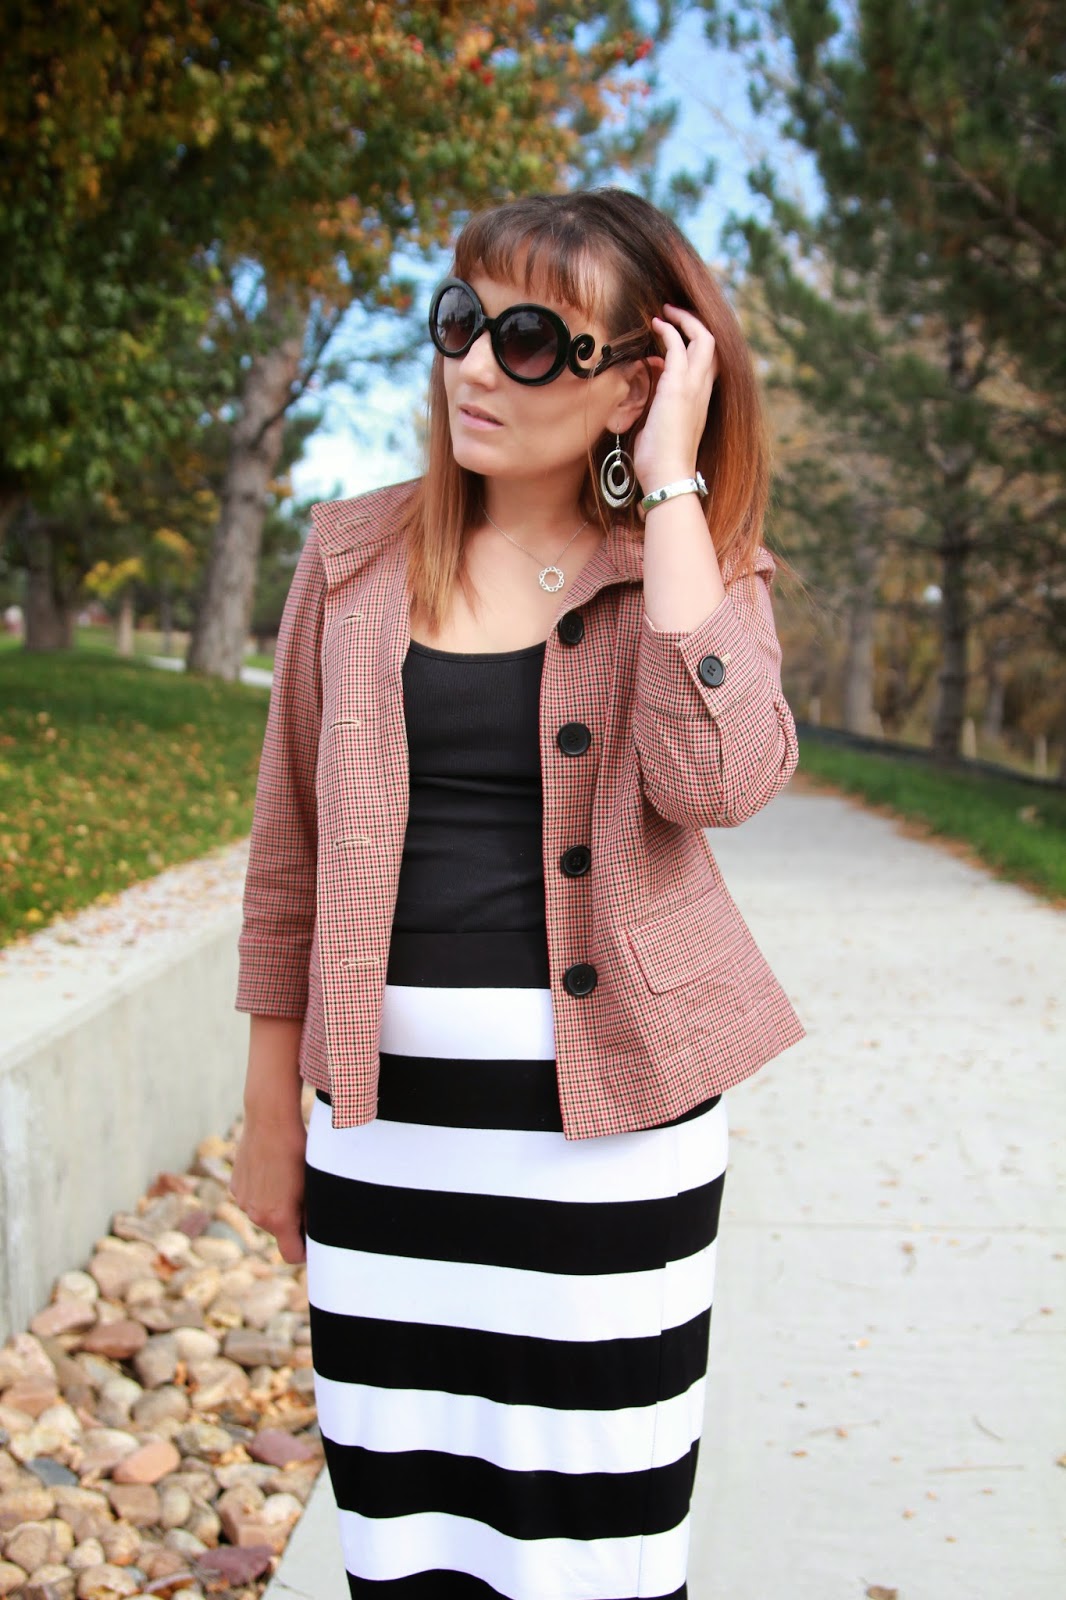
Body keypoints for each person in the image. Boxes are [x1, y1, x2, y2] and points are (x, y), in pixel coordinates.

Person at [230, 187, 806, 1600]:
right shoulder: (353, 557)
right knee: (402, 1529)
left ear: (635, 383)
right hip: (387, 1145)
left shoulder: (689, 574)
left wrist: (672, 491)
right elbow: (287, 851)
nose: (476, 366)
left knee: (592, 1542)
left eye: (534, 340)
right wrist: (269, 1120)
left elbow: (720, 778)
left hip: (605, 1155)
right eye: (461, 322)